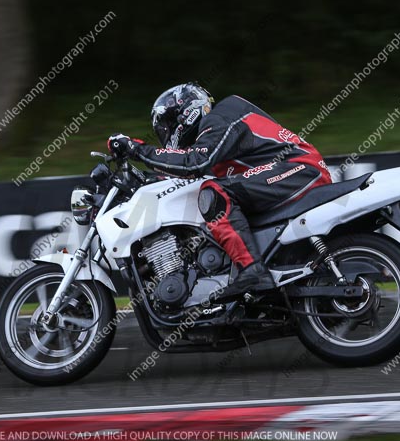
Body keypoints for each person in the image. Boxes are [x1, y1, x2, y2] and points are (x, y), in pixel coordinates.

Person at [108, 82, 332, 299]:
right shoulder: (212, 137)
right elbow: (185, 170)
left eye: (167, 125)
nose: (167, 135)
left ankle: (253, 271)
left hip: (299, 168)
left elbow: (193, 163)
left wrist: (136, 148)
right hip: (287, 173)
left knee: (213, 193)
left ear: (185, 113)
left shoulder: (221, 117)